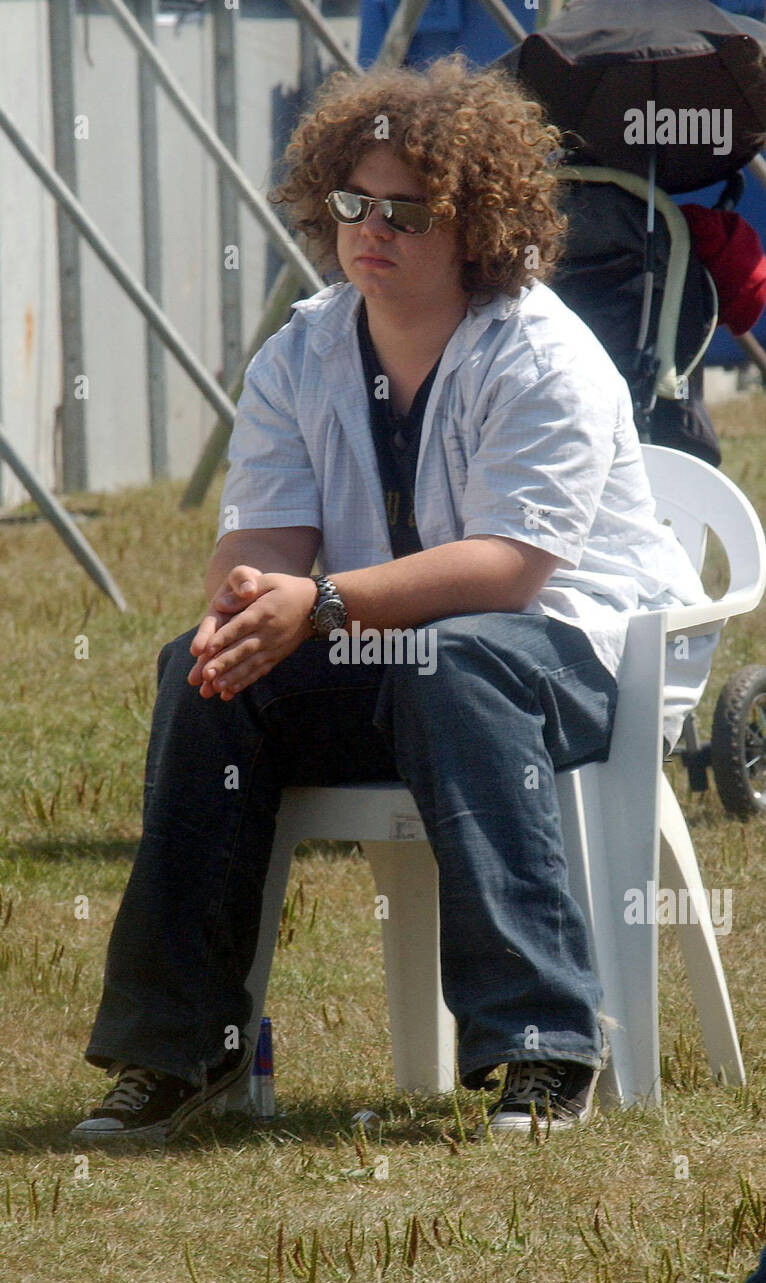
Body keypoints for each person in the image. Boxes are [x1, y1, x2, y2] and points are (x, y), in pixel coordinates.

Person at [71, 57, 718, 1145]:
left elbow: (506, 569)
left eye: (406, 212)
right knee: (207, 667)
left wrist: (317, 602)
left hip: (584, 654)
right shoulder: (301, 352)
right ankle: (183, 1049)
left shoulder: (541, 354)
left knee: (456, 662)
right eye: (351, 202)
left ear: (477, 224)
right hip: (393, 652)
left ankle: (544, 1046)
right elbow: (263, 538)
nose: (369, 229)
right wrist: (251, 598)